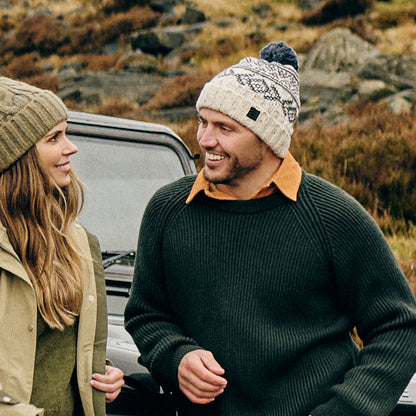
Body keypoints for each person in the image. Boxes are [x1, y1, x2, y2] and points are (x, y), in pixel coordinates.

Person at [124, 41, 416, 416]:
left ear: (267, 137)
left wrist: (345, 410)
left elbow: (399, 326)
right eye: (203, 122)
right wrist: (175, 357)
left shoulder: (333, 216)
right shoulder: (168, 209)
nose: (205, 139)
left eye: (224, 128)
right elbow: (146, 314)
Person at [0, 76, 125, 416]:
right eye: (54, 138)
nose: (71, 147)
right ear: (18, 156)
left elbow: (59, 348)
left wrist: (100, 372)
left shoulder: (78, 241)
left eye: (66, 133)